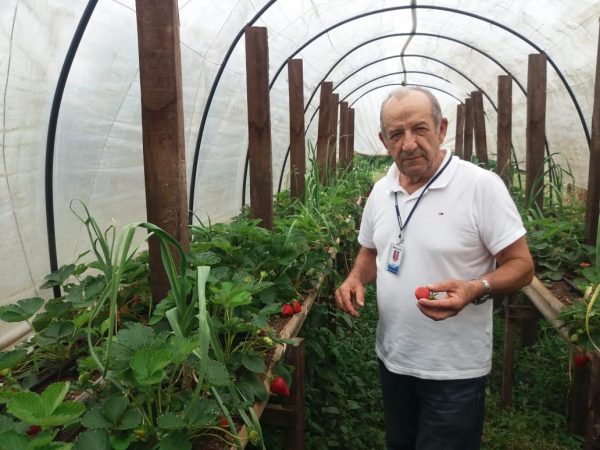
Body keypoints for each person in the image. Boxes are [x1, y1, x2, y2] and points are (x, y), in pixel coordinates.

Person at [334, 86, 534, 450]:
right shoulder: (382, 191)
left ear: (441, 129)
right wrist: (353, 279)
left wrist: (476, 288)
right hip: (393, 359)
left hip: (453, 372)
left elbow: (522, 266)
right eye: (396, 134)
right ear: (383, 140)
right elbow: (369, 252)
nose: (408, 143)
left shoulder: (479, 187)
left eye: (419, 129)